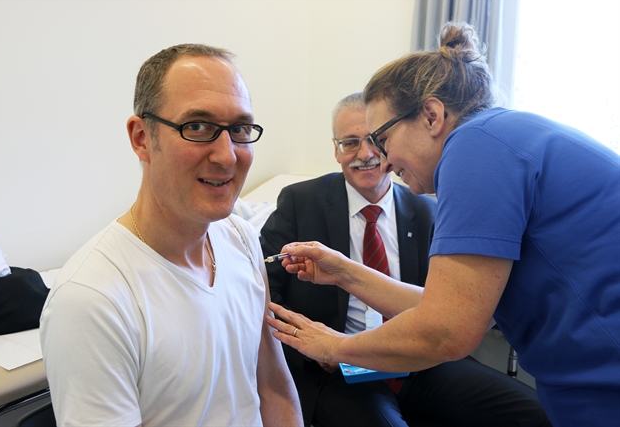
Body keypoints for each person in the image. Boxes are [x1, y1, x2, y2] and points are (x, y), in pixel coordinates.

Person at [266, 22, 620, 427]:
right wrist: (346, 273)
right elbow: (457, 309)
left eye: (382, 139)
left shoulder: (474, 147)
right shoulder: (503, 136)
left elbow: (446, 330)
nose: (382, 161)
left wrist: (334, 347)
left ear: (432, 116)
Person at [40, 44, 302, 427]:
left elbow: (273, 387)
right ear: (141, 138)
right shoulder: (92, 299)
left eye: (240, 129)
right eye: (197, 127)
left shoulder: (241, 238)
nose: (227, 155)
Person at [261, 92, 551, 427]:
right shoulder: (300, 202)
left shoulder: (429, 209)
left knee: (539, 414)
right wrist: (309, 347)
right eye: (350, 143)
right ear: (336, 149)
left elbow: (446, 305)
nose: (365, 154)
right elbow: (265, 293)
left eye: (375, 141)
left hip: (417, 362)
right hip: (337, 369)